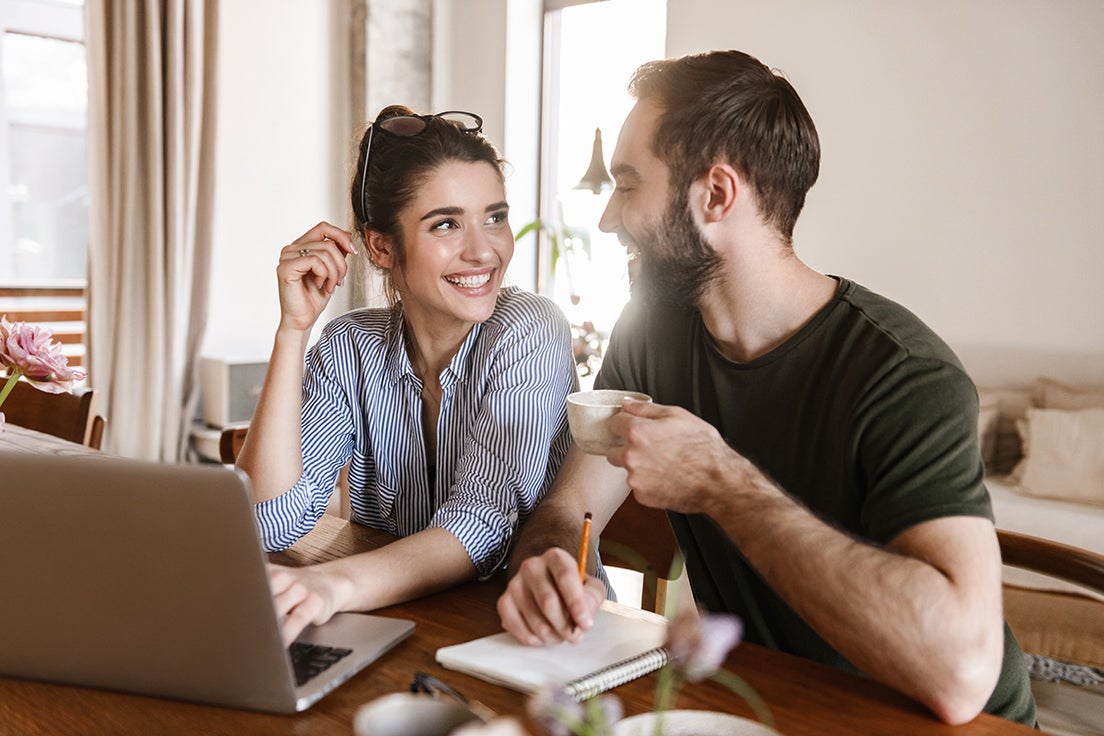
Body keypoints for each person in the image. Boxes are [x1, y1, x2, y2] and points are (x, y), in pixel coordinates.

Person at [496, 51, 1035, 726]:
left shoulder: (905, 376)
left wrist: (720, 481)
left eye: (628, 186)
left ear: (716, 195)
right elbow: (571, 507)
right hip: (768, 703)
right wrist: (550, 563)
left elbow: (961, 675)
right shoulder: (652, 332)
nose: (607, 218)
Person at [236, 105, 577, 646]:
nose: (483, 251)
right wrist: (293, 331)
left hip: (530, 639)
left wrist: (332, 585)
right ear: (381, 246)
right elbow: (268, 522)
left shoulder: (529, 328)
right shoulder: (350, 346)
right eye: (446, 224)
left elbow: (482, 524)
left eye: (494, 217)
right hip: (414, 628)